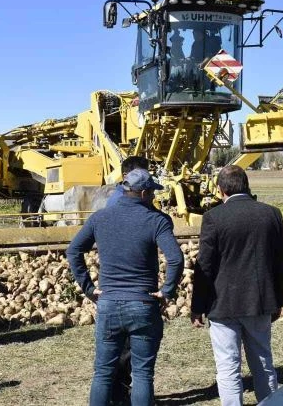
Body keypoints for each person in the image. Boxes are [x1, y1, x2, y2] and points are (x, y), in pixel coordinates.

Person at [67, 168, 184, 406]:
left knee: (103, 373)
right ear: (142, 193)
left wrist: (88, 288)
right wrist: (167, 290)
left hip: (108, 302)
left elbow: (74, 251)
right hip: (143, 304)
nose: (153, 196)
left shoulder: (100, 218)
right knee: (142, 374)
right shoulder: (157, 220)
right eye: (151, 192)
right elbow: (175, 258)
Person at [190, 165, 283, 406]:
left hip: (223, 305)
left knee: (228, 367)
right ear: (247, 185)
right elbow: (279, 263)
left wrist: (197, 306)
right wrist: (278, 301)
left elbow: (205, 266)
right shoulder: (272, 214)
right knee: (263, 363)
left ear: (220, 189)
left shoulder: (213, 217)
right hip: (260, 301)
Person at [104, 155, 151, 403]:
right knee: (129, 354)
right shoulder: (130, 205)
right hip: (133, 290)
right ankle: (121, 396)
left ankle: (118, 394)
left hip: (113, 288)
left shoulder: (112, 202)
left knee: (116, 350)